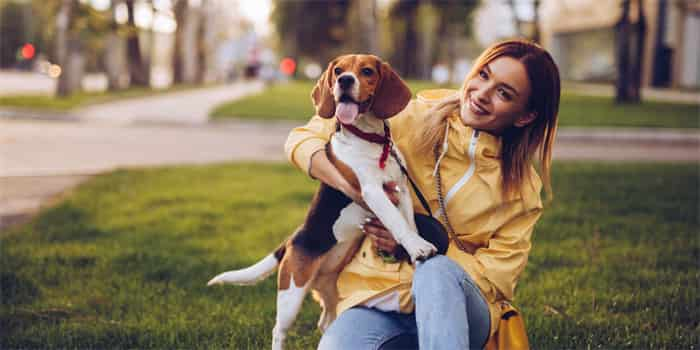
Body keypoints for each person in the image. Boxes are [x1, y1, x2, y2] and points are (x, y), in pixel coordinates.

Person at [284, 39, 560, 349]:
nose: (482, 94)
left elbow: (499, 276)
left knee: (436, 272)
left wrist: (420, 245)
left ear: (524, 116)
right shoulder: (411, 116)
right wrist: (350, 185)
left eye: (503, 93)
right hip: (379, 296)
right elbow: (306, 137)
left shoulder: (522, 190)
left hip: (464, 311)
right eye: (483, 75)